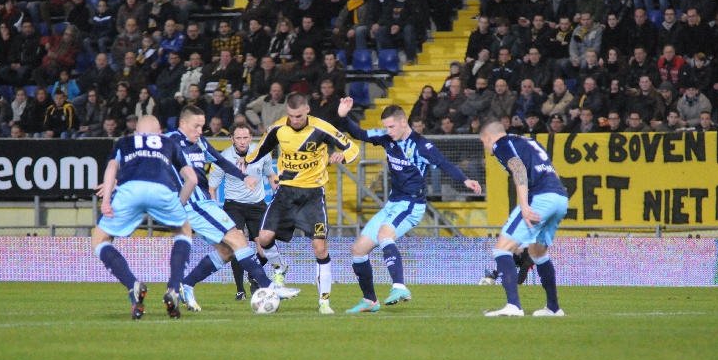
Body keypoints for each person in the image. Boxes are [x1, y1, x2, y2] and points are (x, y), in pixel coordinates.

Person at [337, 99, 482, 312]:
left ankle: (400, 287)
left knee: (385, 235)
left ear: (404, 123)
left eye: (391, 126)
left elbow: (443, 163)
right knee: (358, 250)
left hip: (412, 204)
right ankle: (370, 301)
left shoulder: (421, 145)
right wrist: (343, 117)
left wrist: (465, 180)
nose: (388, 131)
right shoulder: (386, 138)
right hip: (393, 204)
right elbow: (359, 134)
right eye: (386, 127)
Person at [164, 106, 300, 313]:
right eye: (196, 126)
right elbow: (146, 161)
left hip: (204, 203)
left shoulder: (199, 141)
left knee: (227, 250)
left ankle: (186, 285)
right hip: (192, 203)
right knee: (238, 240)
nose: (201, 130)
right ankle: (269, 286)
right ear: (183, 124)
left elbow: (220, 161)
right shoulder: (169, 141)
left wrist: (244, 176)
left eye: (202, 126)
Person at [240, 93, 360, 314]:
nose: (294, 120)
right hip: (285, 192)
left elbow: (352, 148)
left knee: (320, 247)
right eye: (291, 116)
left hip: (313, 195)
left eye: (298, 116)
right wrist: (245, 160)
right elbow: (261, 149)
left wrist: (343, 156)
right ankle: (280, 268)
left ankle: (324, 301)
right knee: (264, 238)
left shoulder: (321, 127)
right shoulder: (278, 128)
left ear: (307, 110)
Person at [91, 115, 197, 320]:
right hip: (162, 189)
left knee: (100, 240)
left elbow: (112, 168)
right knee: (183, 231)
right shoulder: (169, 142)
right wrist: (179, 206)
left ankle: (133, 286)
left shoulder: (124, 142)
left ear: (136, 133)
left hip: (130, 189)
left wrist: (106, 202)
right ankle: (174, 289)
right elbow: (191, 179)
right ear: (160, 133)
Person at [480, 120, 569, 317]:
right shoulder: (529, 142)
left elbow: (518, 169)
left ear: (487, 137)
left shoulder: (500, 144)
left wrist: (524, 205)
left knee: (502, 248)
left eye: (483, 142)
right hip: (560, 197)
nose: (486, 148)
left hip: (540, 198)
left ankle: (513, 306)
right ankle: (553, 308)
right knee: (537, 253)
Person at [208, 123, 288, 301]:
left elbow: (270, 176)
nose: (242, 142)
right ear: (232, 139)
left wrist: (280, 197)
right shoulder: (223, 157)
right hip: (233, 205)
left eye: (245, 138)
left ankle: (253, 276)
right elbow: (211, 188)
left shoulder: (262, 153)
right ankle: (239, 290)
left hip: (257, 205)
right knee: (239, 245)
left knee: (264, 248)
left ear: (251, 138)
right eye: (238, 138)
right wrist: (214, 212)